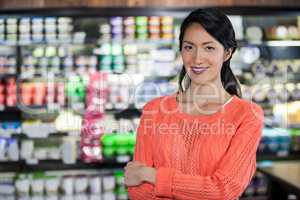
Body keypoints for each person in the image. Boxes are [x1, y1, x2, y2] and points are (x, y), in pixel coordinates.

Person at [124, 8, 264, 200]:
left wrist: (151, 175)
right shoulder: (154, 110)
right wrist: (198, 190)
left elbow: (223, 190)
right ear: (181, 50)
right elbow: (138, 191)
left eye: (209, 48)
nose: (197, 59)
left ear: (227, 53)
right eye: (189, 47)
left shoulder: (247, 115)